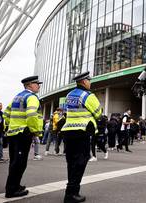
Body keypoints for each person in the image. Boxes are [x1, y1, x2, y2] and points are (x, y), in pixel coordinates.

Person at [61, 71, 102, 203]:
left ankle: (71, 191)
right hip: (82, 132)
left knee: (71, 162)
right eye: (89, 80)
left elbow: (66, 112)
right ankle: (71, 193)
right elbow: (98, 113)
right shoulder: (88, 95)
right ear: (84, 81)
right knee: (80, 163)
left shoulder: (68, 95)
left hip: (68, 131)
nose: (90, 83)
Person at [3, 76, 43, 198]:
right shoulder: (31, 97)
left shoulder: (17, 96)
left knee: (14, 162)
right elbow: (31, 115)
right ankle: (11, 190)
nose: (39, 85)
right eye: (37, 83)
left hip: (13, 133)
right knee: (20, 163)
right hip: (23, 133)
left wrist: (10, 126)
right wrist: (35, 131)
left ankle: (15, 186)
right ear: (29, 85)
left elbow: (6, 114)